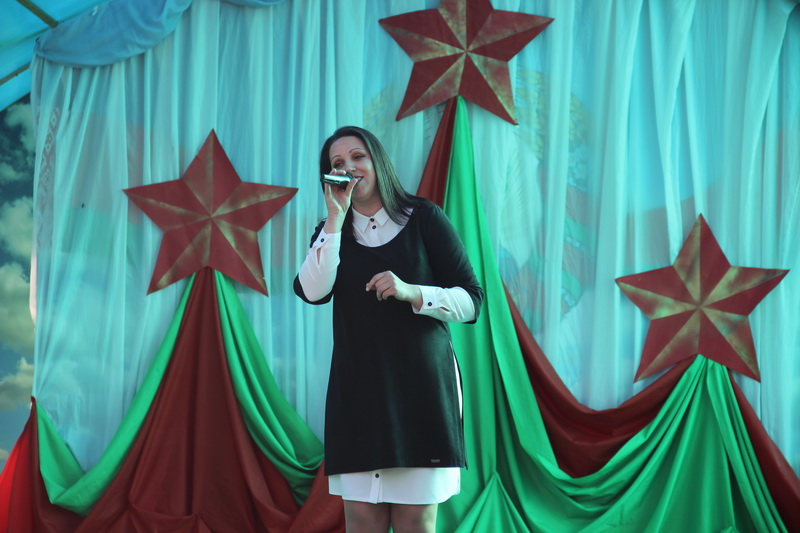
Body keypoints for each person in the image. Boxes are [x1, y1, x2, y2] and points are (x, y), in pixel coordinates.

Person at [294, 126, 483, 533]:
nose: (349, 168)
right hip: (358, 395)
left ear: (377, 161)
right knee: (362, 521)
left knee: (415, 520)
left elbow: (471, 302)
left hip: (423, 394)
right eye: (337, 163)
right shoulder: (332, 232)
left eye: (358, 157)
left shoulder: (425, 218)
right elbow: (312, 291)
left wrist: (413, 292)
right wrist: (335, 218)